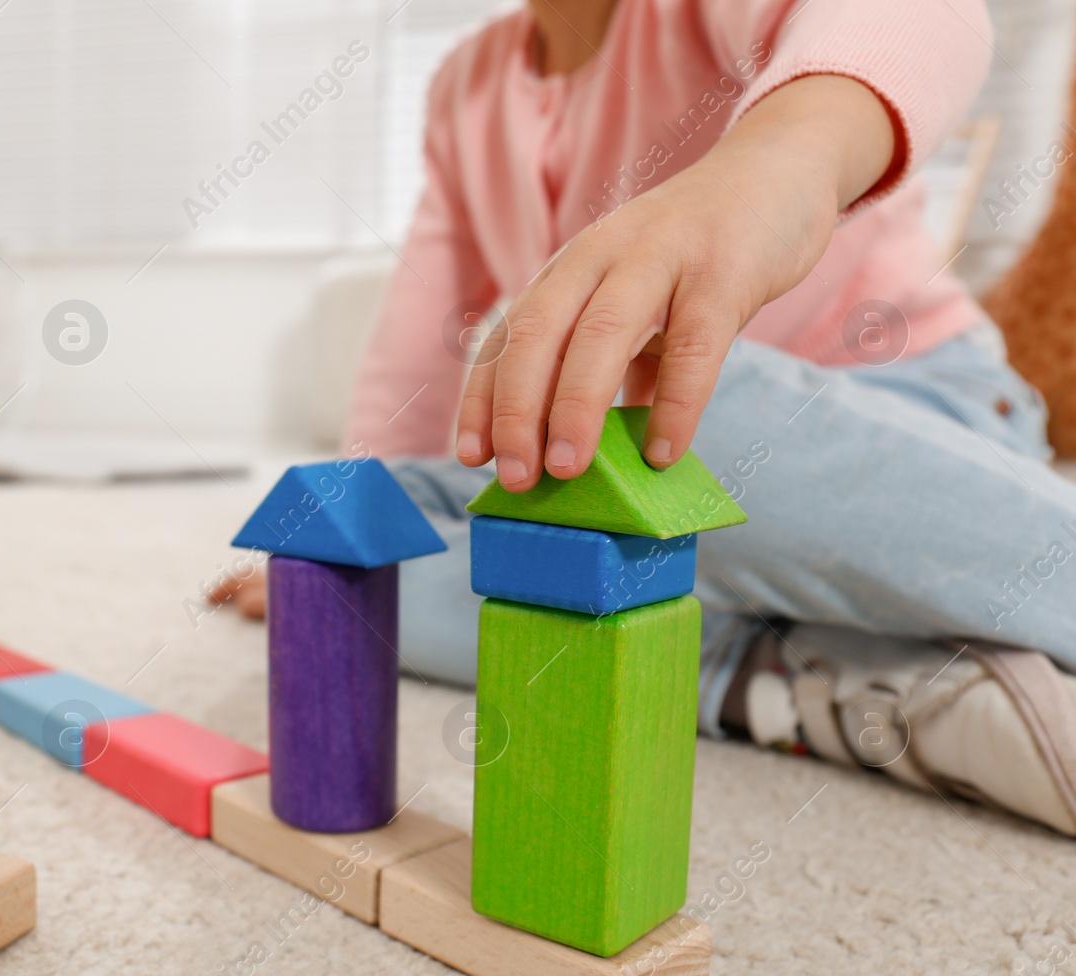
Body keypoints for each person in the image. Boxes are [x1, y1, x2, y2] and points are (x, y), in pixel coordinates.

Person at [215, 0, 1076, 837]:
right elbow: (420, 339)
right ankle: (779, 665)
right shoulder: (464, 86)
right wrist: (353, 524)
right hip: (639, 469)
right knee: (384, 526)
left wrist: (780, 157)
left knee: (699, 433)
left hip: (899, 405)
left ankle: (760, 654)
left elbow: (921, 15)